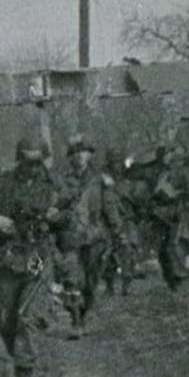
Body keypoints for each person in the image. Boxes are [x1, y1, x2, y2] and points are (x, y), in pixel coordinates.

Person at [0, 136, 67, 377]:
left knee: (28, 312)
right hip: (8, 257)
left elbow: (70, 217)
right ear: (19, 159)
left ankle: (25, 367)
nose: (33, 167)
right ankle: (19, 355)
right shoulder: (3, 182)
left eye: (37, 161)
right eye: (27, 161)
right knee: (6, 318)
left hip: (37, 255)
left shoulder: (55, 184)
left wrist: (57, 217)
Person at [54, 135, 122, 335]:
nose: (79, 157)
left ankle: (82, 313)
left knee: (91, 283)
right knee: (72, 279)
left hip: (95, 238)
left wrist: (117, 230)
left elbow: (110, 207)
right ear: (70, 157)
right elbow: (56, 205)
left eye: (83, 152)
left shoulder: (101, 180)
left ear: (90, 155)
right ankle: (75, 320)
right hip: (71, 237)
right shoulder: (64, 180)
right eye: (75, 153)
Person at [143, 144, 189, 291]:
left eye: (168, 154)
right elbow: (150, 194)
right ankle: (171, 281)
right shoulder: (157, 173)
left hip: (178, 213)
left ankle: (179, 277)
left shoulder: (182, 172)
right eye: (163, 155)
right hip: (160, 215)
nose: (165, 158)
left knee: (175, 245)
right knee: (162, 250)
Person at [101, 149, 144, 296]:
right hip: (108, 222)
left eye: (120, 162)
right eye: (114, 162)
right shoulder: (105, 182)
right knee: (109, 253)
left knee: (129, 252)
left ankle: (126, 286)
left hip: (127, 220)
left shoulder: (128, 182)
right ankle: (109, 286)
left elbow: (136, 201)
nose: (118, 166)